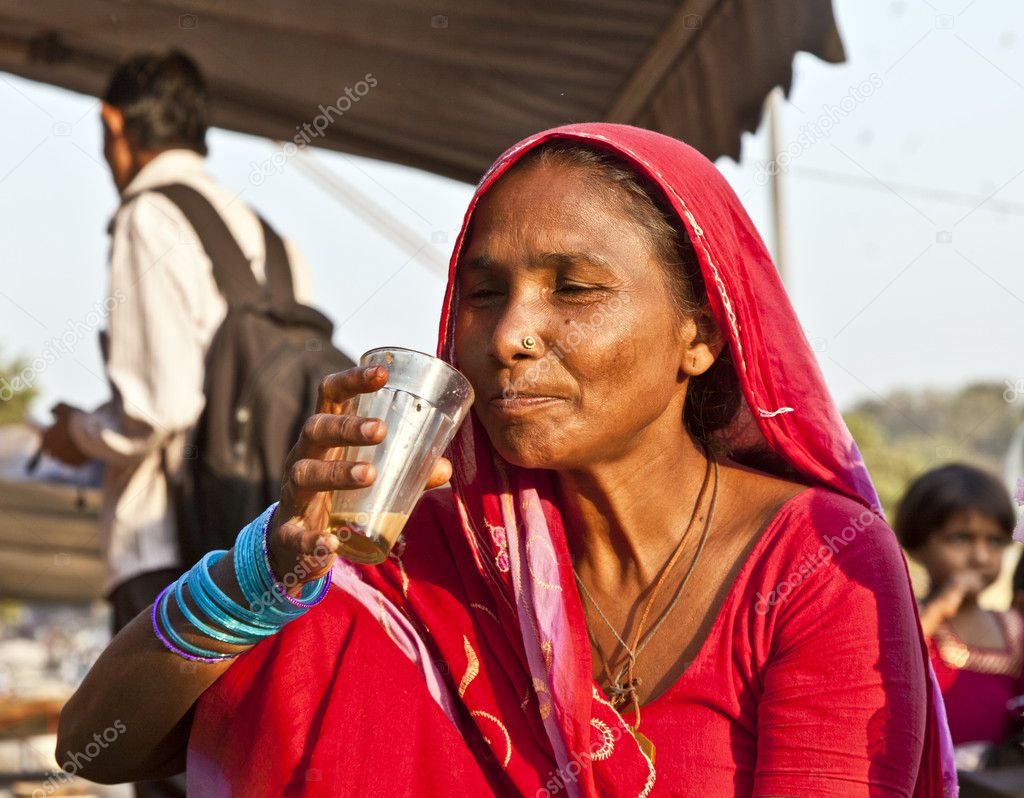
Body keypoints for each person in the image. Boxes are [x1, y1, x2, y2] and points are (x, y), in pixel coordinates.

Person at [56, 124, 956, 796]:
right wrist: (274, 564)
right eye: (484, 293)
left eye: (574, 289)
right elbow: (97, 744)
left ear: (700, 336)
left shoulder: (816, 566)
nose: (510, 336)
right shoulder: (418, 550)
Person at [41, 49, 311, 798]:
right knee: (243, 768)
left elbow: (153, 410)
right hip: (258, 551)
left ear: (113, 124)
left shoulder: (147, 217)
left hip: (168, 547)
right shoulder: (275, 241)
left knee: (164, 771)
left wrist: (74, 435)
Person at [896, 464, 1022, 763]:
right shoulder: (906, 622)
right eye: (960, 539)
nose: (980, 556)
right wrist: (937, 611)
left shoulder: (1015, 628)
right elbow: (887, 679)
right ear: (916, 546)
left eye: (994, 542)